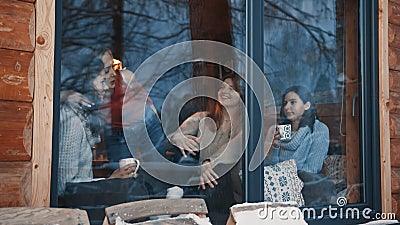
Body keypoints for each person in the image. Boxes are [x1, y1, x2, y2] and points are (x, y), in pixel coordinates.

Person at [58, 49, 137, 195]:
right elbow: (64, 188)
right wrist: (109, 182)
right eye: (106, 71)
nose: (114, 75)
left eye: (113, 69)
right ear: (87, 77)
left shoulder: (86, 117)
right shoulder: (71, 121)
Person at [168, 75, 244, 224]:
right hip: (201, 180)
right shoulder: (205, 117)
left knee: (212, 180)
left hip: (228, 187)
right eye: (222, 87)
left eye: (232, 89)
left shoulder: (246, 123)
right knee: (188, 164)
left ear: (242, 95)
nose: (224, 91)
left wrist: (210, 162)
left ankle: (179, 206)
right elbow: (174, 135)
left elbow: (235, 146)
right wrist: (179, 138)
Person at [266, 85, 330, 174]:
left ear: (307, 105)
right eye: (285, 103)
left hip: (303, 184)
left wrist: (285, 176)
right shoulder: (282, 129)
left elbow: (312, 169)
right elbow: (269, 166)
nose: (286, 107)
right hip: (277, 182)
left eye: (292, 102)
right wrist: (275, 147)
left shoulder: (319, 129)